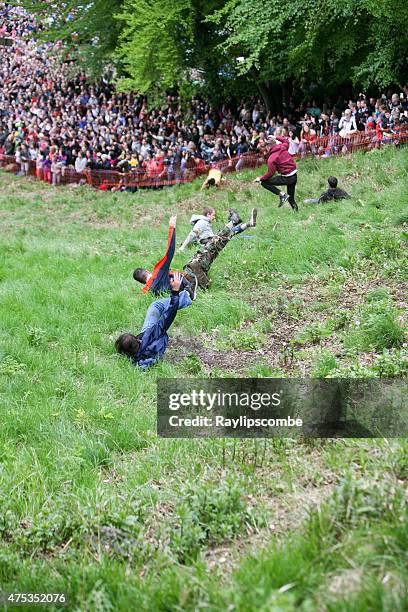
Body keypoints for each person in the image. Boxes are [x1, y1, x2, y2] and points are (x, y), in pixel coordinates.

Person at [115, 272, 189, 370]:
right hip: (153, 336)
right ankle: (188, 296)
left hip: (148, 345)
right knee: (156, 305)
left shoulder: (136, 362)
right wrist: (175, 291)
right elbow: (170, 314)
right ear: (138, 340)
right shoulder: (154, 333)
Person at [183, 208, 258, 289]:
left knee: (223, 237)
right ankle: (240, 222)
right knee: (222, 237)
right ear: (208, 214)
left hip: (205, 253)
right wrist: (183, 246)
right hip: (205, 254)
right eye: (213, 215)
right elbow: (192, 234)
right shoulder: (201, 222)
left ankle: (241, 223)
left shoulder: (203, 222)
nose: (214, 217)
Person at [133, 215, 197, 301]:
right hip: (185, 286)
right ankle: (192, 291)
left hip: (174, 298)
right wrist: (172, 227)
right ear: (147, 271)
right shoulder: (158, 271)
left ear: (142, 282)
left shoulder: (148, 292)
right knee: (193, 264)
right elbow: (170, 251)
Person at [253, 134, 298, 211]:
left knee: (264, 182)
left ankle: (282, 194)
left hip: (287, 178)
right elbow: (286, 141)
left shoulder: (272, 158)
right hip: (294, 176)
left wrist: (260, 178)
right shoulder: (283, 147)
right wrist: (275, 137)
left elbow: (270, 173)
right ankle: (297, 213)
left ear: (268, 147)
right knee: (291, 199)